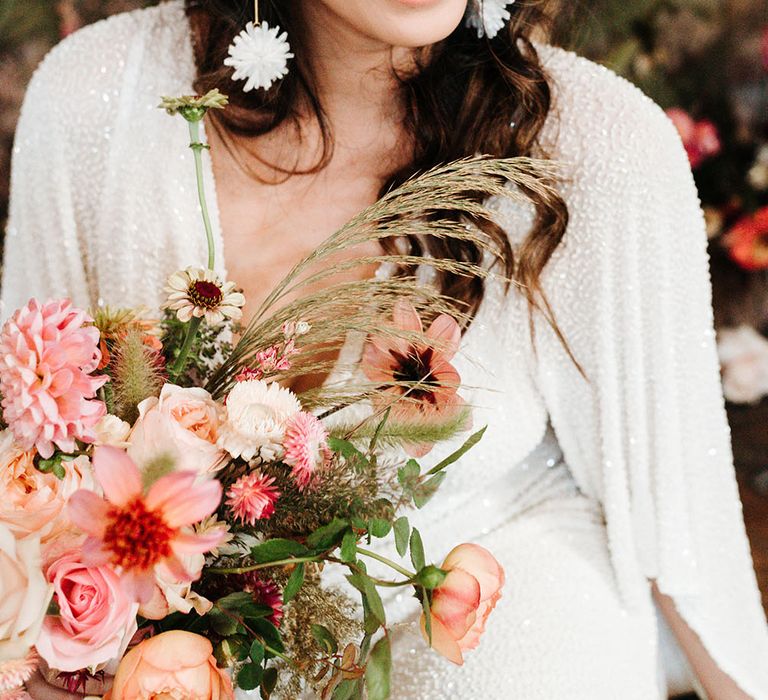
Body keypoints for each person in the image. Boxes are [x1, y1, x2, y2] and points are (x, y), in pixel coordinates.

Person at [5, 1, 768, 698]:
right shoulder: (96, 99)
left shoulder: (599, 145)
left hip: (497, 596)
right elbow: (32, 463)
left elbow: (684, 530)